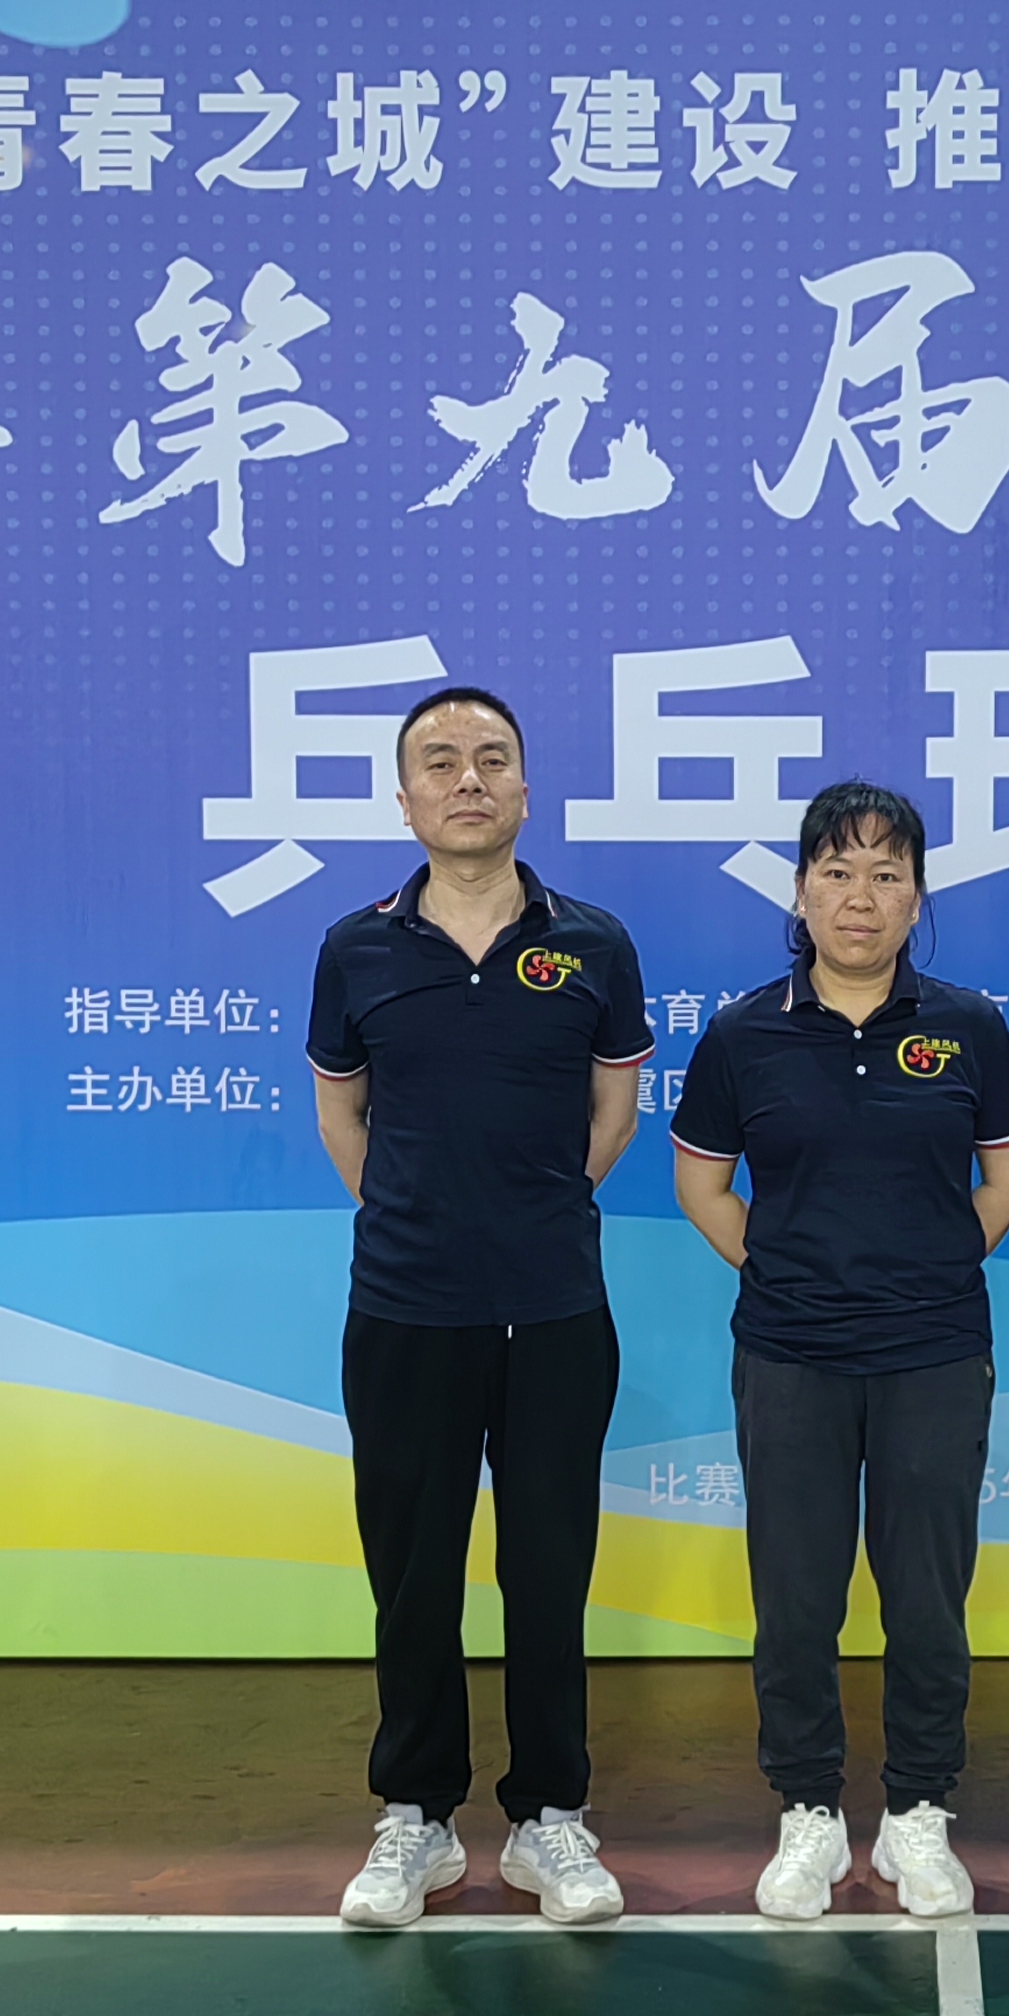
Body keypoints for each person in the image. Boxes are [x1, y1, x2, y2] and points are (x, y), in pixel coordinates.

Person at [307, 686, 651, 1930]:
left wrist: (528, 1211)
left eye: (492, 759)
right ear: (404, 800)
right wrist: (427, 1219)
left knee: (548, 1569)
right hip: (405, 1308)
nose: (469, 780)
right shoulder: (355, 949)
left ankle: (551, 1816)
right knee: (411, 1574)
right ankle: (419, 1816)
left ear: (524, 790)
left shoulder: (592, 944)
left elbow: (612, 1113)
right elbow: (342, 1114)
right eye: (441, 763)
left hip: (553, 1306)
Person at [674, 783, 1009, 1922]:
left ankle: (919, 1812)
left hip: (934, 1352)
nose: (861, 896)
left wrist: (926, 1264)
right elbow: (703, 1183)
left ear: (917, 896)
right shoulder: (744, 1033)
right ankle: (810, 1814)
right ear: (801, 891)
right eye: (837, 871)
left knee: (927, 1599)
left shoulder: (967, 1026)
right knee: (795, 1598)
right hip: (791, 1353)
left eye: (887, 874)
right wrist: (788, 1267)